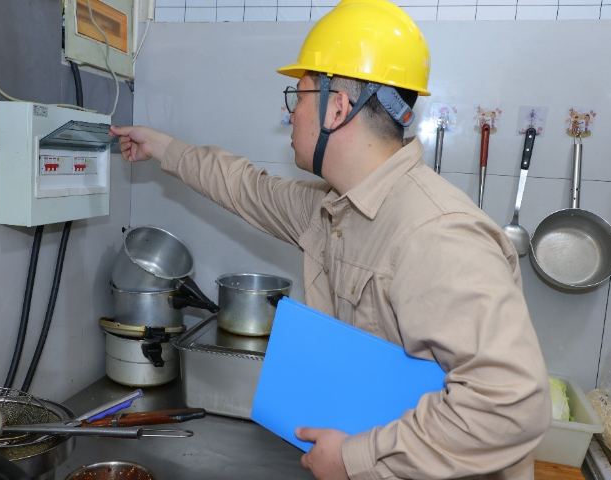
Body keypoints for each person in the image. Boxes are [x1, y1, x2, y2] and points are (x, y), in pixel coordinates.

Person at [110, 1, 551, 479]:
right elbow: (245, 186)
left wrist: (354, 457)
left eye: (297, 96)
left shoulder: (435, 234)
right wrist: (161, 146)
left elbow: (510, 408)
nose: (290, 115)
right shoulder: (334, 207)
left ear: (337, 107)